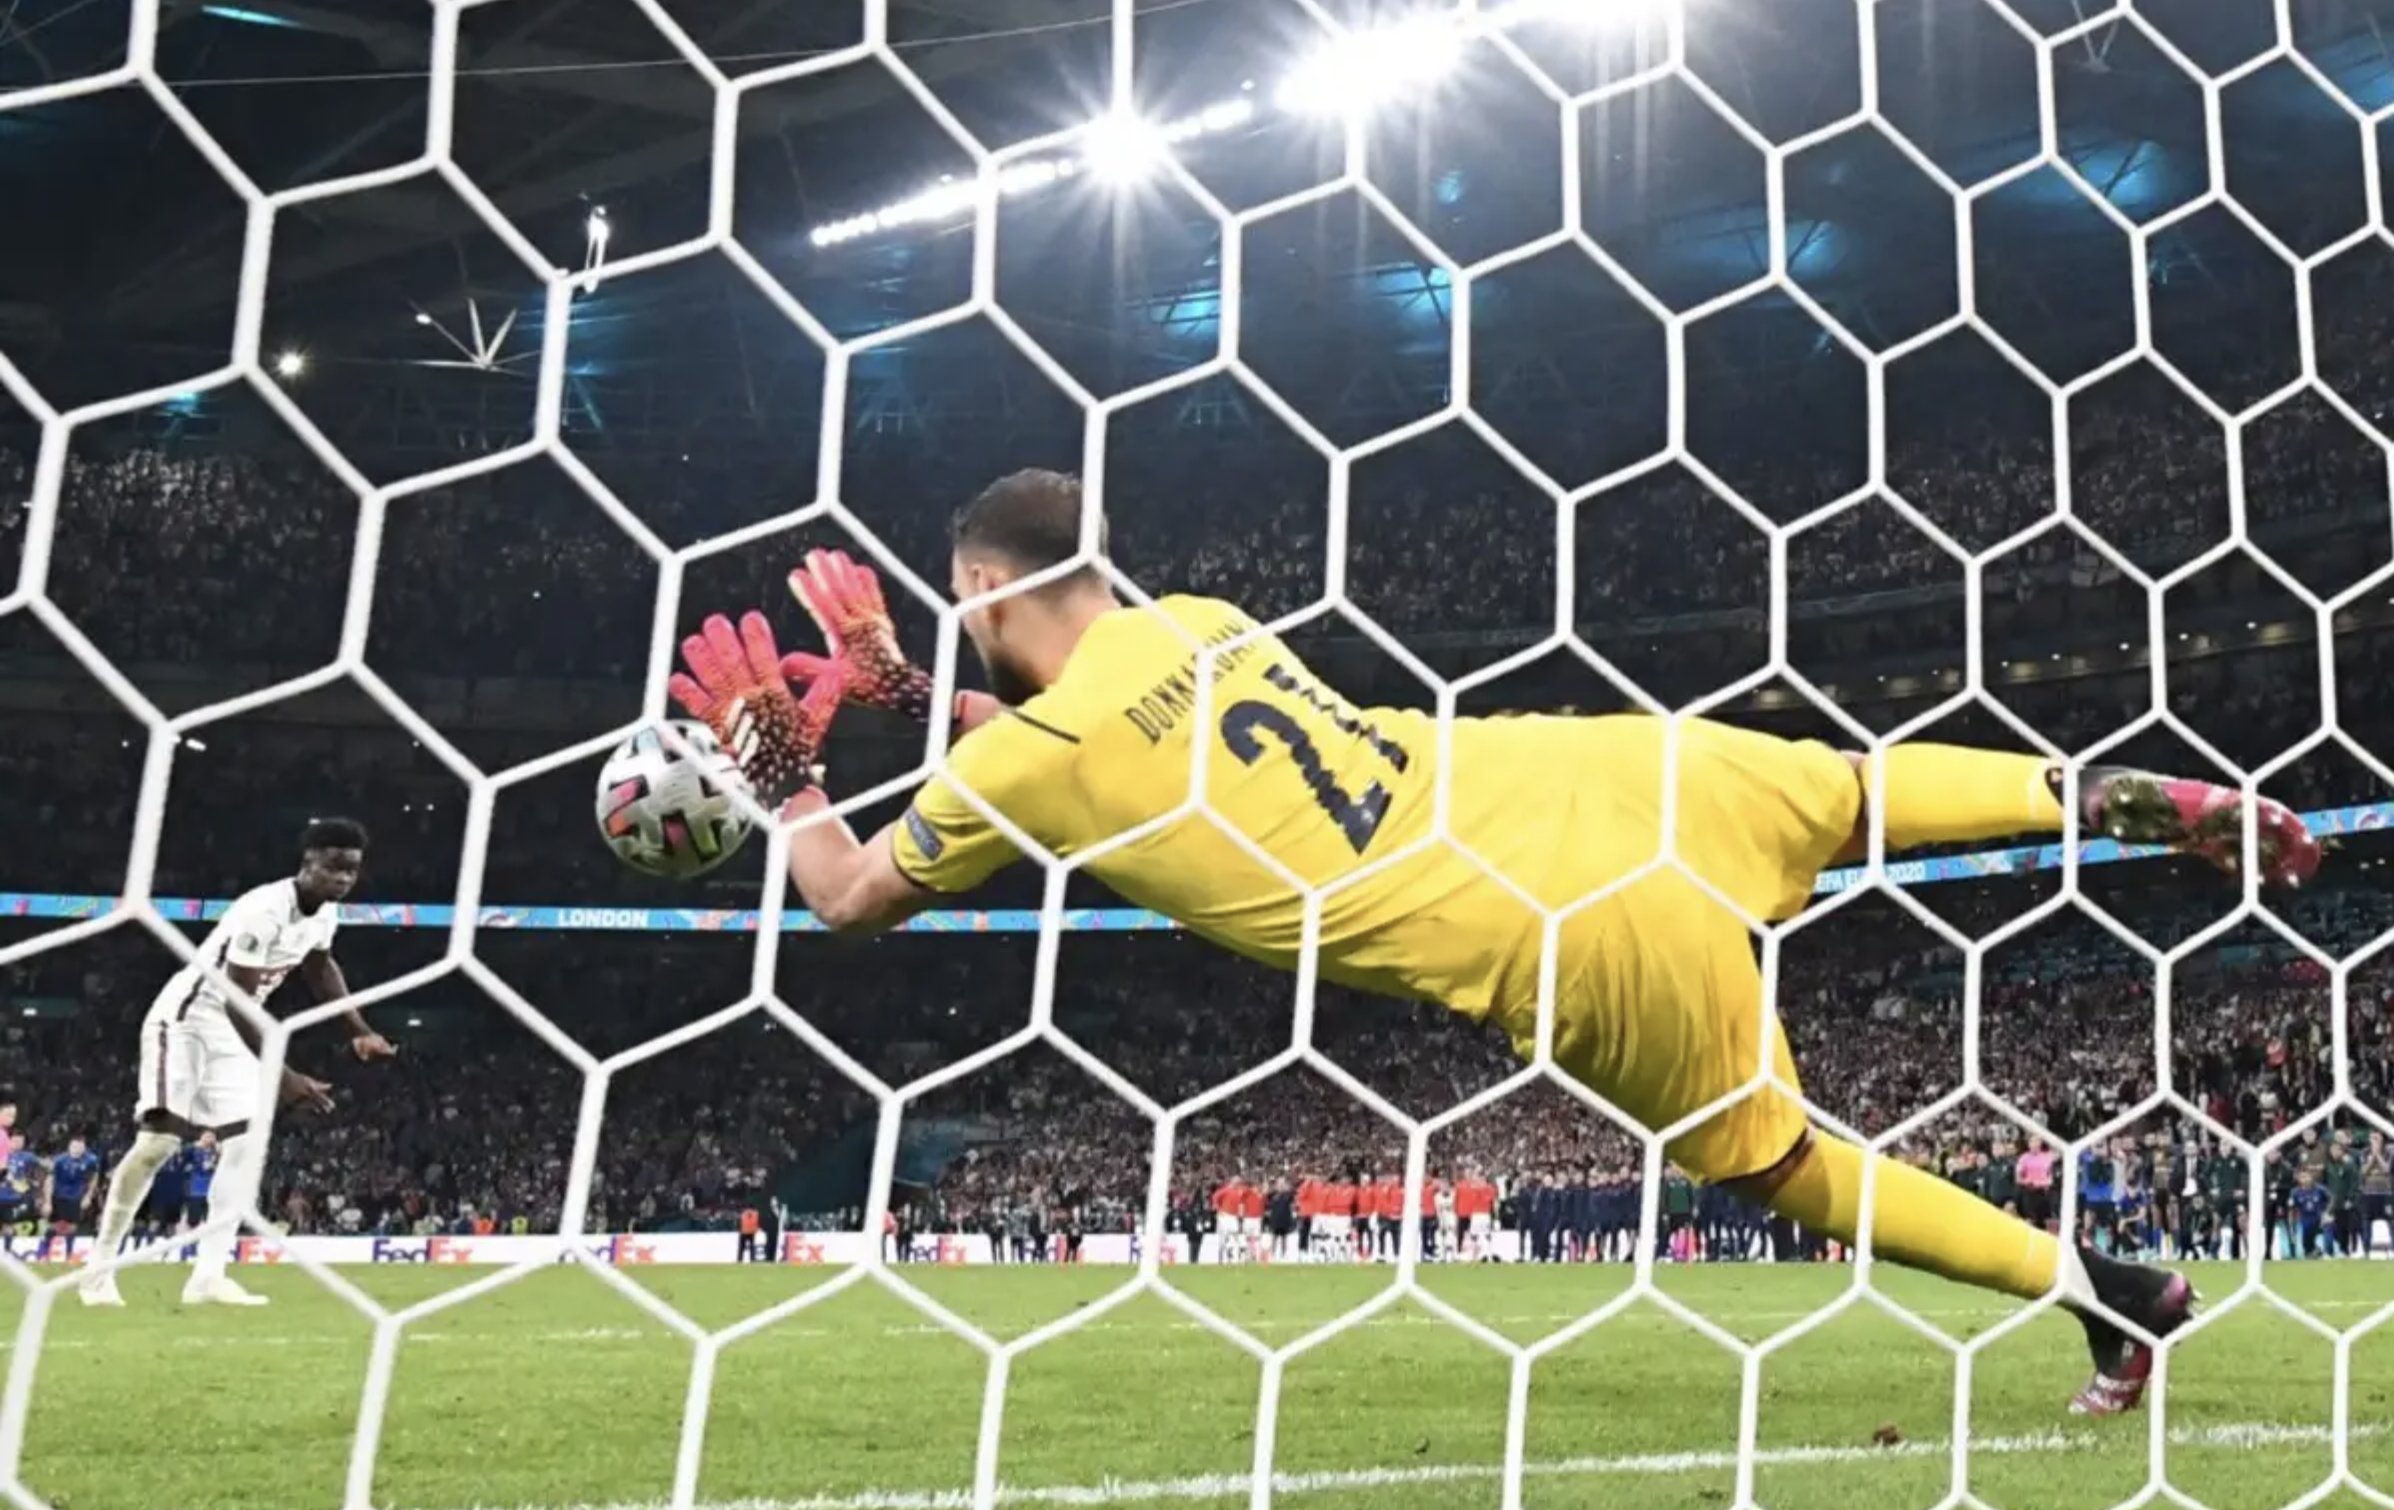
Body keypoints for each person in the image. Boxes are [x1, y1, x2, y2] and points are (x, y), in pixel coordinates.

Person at [667, 469, 2325, 1416]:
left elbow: (851, 893)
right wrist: (912, 689)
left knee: (1784, 1168)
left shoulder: (1029, 757)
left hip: (1554, 933)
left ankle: (2097, 1285)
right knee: (1842, 789)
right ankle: (2092, 789)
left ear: (977, 585)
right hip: (1581, 771)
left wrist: (791, 774)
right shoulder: (1200, 626)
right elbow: (1084, 736)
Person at [79, 818, 396, 1308]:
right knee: (158, 1142)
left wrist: (359, 1030)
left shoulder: (323, 915)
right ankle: (98, 1271)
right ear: (307, 863)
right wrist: (285, 1076)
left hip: (230, 1029)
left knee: (247, 1143)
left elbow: (320, 967)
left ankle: (209, 1276)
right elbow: (235, 999)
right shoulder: (263, 909)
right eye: (333, 867)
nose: (343, 879)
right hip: (184, 1019)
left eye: (351, 870)